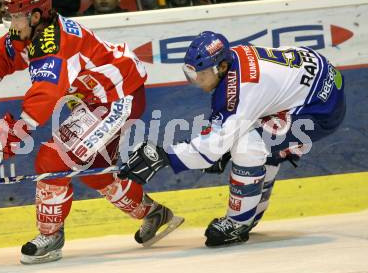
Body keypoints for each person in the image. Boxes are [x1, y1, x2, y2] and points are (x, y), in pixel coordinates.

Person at [0, 0, 183, 264]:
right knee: (91, 170)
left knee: (52, 159)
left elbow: (47, 93)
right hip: (98, 97)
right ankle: (153, 213)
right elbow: (6, 54)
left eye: (16, 17)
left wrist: (20, 129)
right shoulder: (29, 30)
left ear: (36, 16)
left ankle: (51, 237)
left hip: (116, 96)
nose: (11, 24)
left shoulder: (52, 43)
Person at [119, 31, 346, 247]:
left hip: (320, 108)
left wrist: (162, 157)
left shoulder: (240, 88)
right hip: (314, 82)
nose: (196, 80)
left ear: (222, 66)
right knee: (251, 141)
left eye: (200, 73)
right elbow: (225, 129)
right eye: (190, 74)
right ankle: (251, 209)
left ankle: (238, 224)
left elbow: (209, 152)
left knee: (249, 145)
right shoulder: (232, 65)